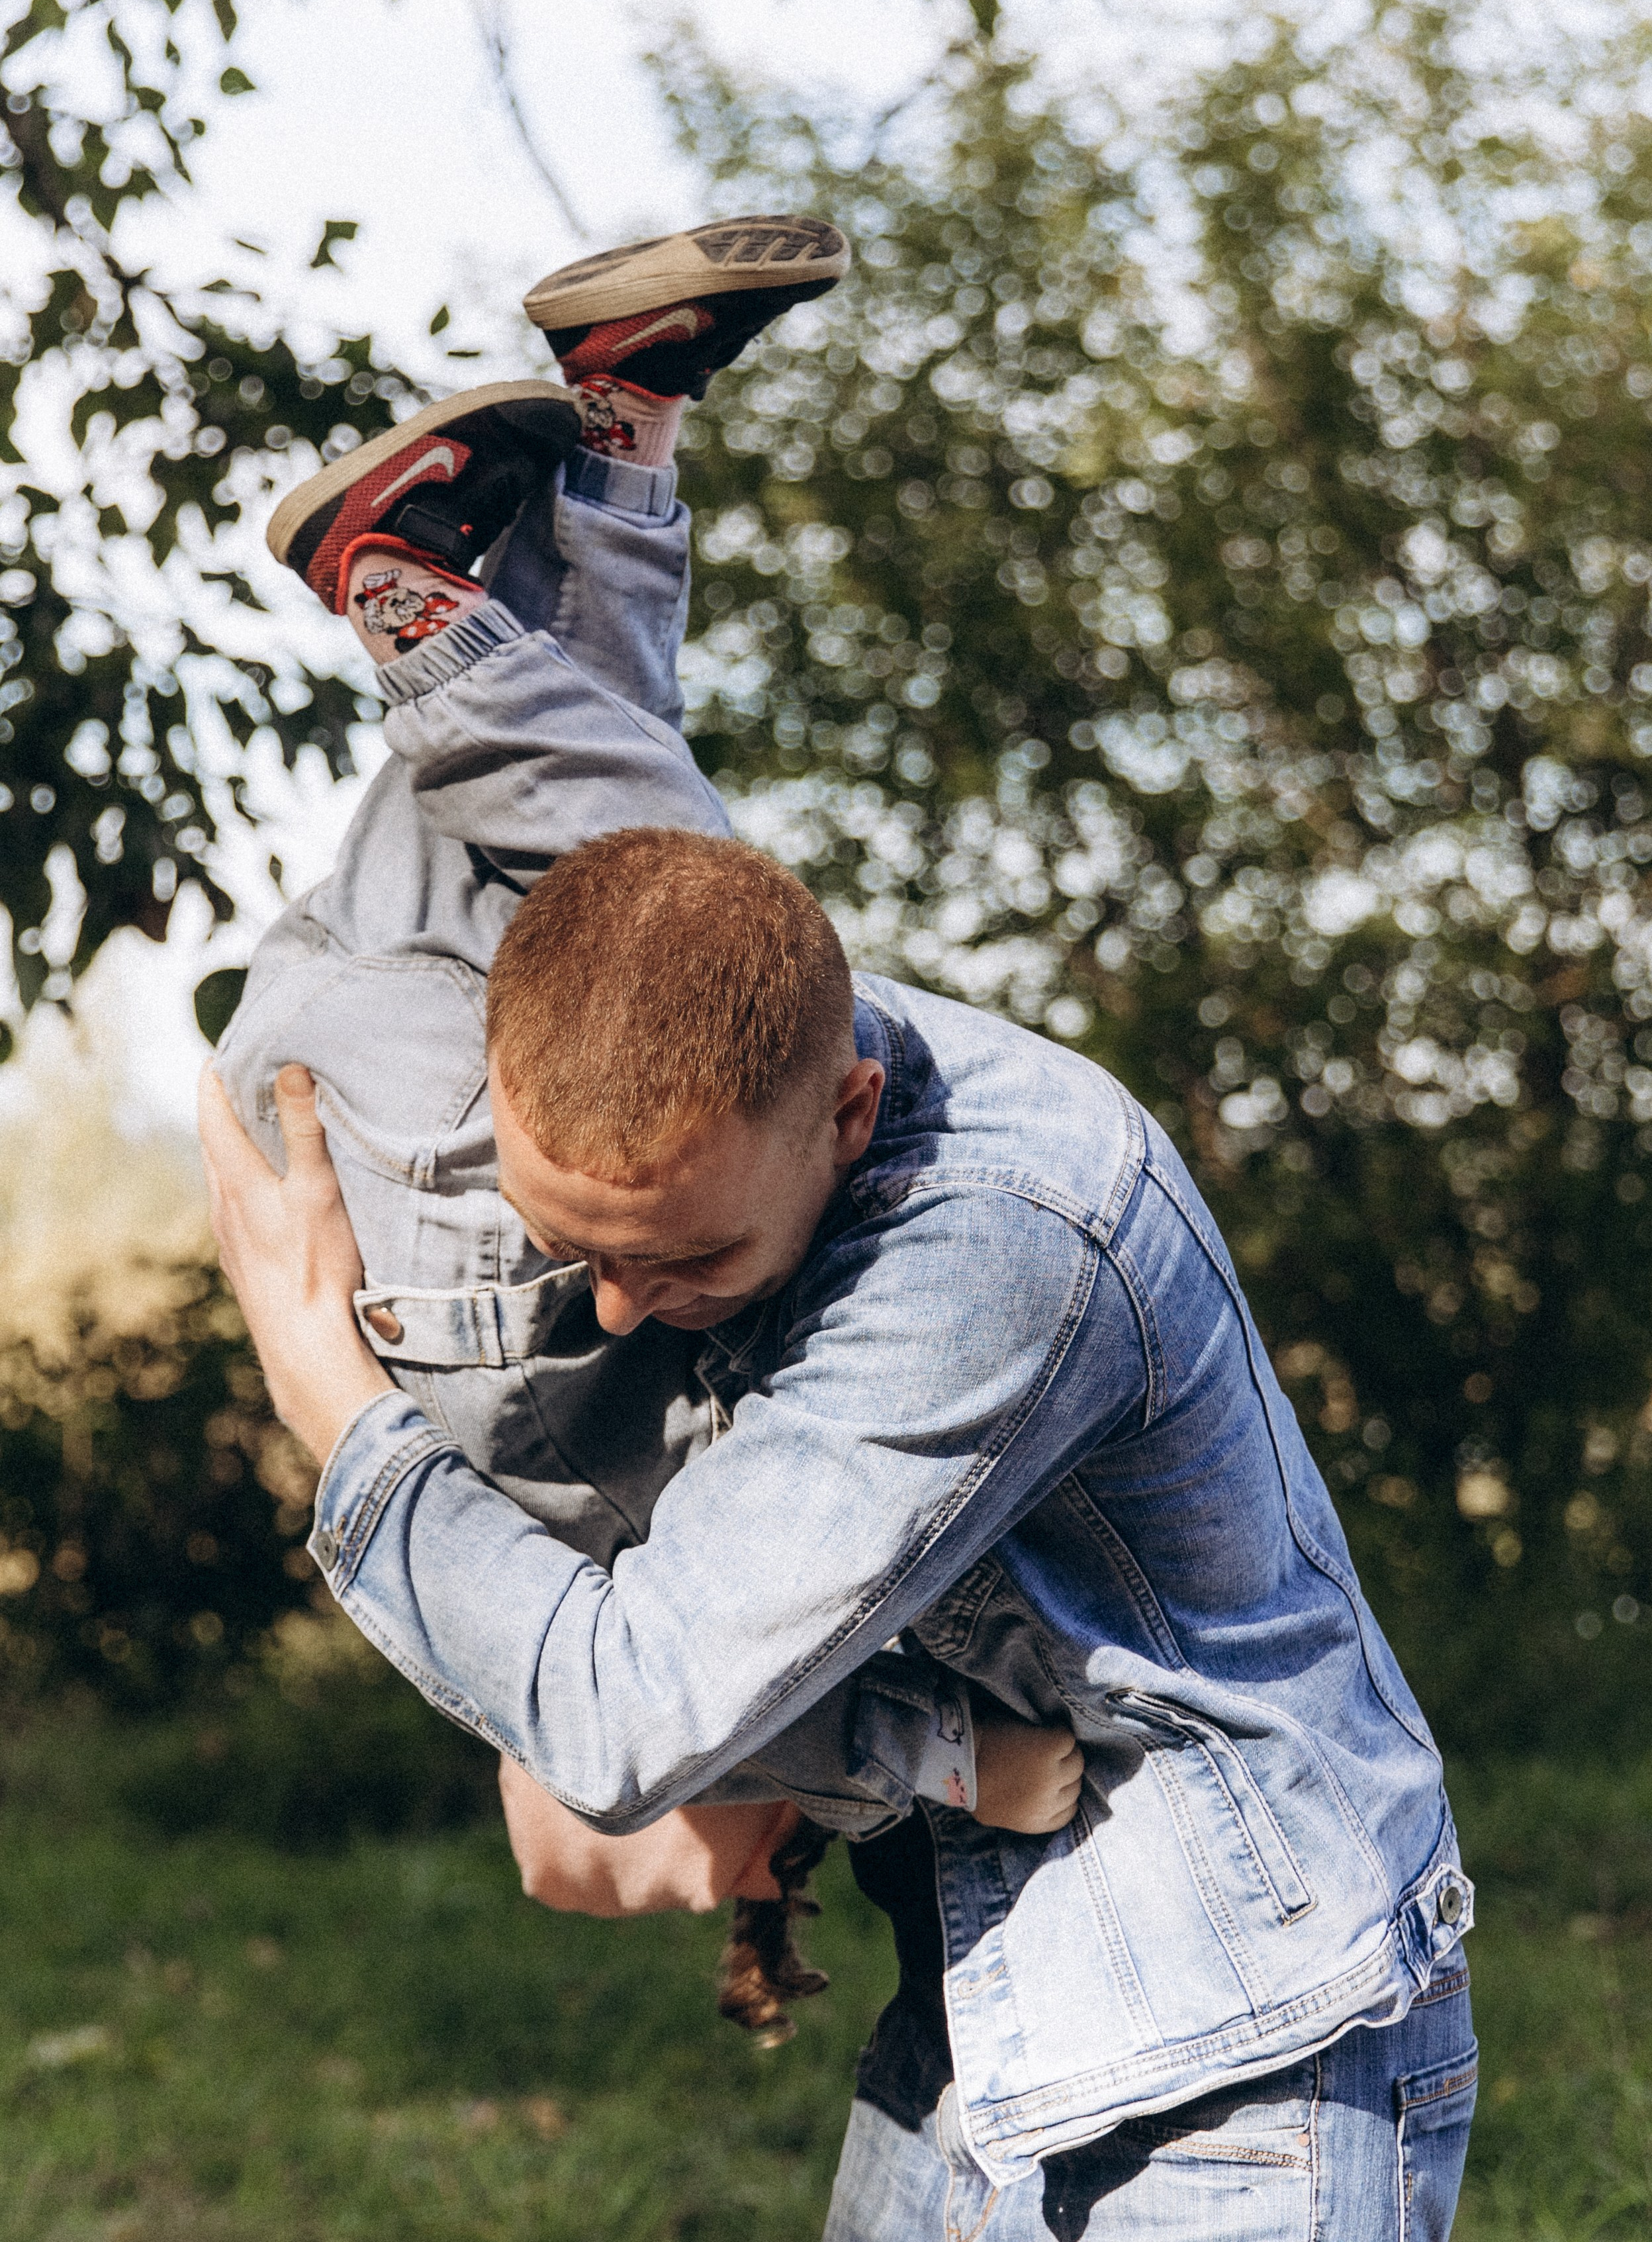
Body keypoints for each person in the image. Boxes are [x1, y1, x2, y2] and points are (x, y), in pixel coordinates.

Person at [201, 221, 1478, 2239]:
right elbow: (620, 902)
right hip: (992, 2003)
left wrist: (333, 1404)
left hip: (1229, 2054)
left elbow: (616, 1726)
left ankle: (489, 566)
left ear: (854, 1118)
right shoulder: (744, 1058)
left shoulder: (997, 1245)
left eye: (686, 1267)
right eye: (578, 1243)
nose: (630, 1310)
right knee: (561, 920)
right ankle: (575, 485)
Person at [210, 216, 1083, 2029]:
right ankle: (603, 453)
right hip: (338, 1070)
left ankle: (443, 571)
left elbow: (620, 1766)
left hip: (457, 1217)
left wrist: (966, 1772)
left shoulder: (640, 1695)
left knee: (686, 935)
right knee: (640, 889)